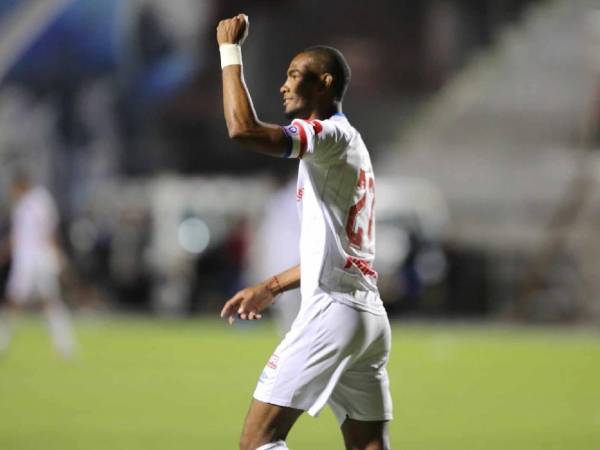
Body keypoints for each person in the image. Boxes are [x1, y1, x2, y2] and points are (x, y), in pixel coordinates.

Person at [217, 14, 392, 450]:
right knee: (368, 445)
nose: (283, 85)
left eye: (295, 75)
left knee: (258, 441)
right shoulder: (350, 147)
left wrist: (228, 53)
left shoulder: (329, 135)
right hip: (366, 317)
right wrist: (272, 286)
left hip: (332, 313)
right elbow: (333, 250)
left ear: (325, 83)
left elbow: (244, 129)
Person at [0, 172, 76, 358]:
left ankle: (65, 344)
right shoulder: (21, 205)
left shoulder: (41, 200)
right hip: (25, 258)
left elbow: (49, 231)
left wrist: (57, 254)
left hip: (38, 258)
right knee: (41, 300)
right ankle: (65, 344)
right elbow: (18, 235)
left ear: (21, 184)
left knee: (34, 300)